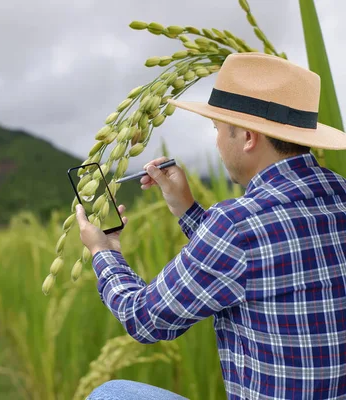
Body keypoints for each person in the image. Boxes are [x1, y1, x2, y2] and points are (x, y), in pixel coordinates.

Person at [75, 52, 346, 400]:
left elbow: (143, 318)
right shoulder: (338, 191)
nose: (216, 141)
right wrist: (187, 208)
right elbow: (259, 257)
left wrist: (104, 251)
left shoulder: (236, 225)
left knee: (111, 394)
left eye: (218, 129)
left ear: (248, 137)